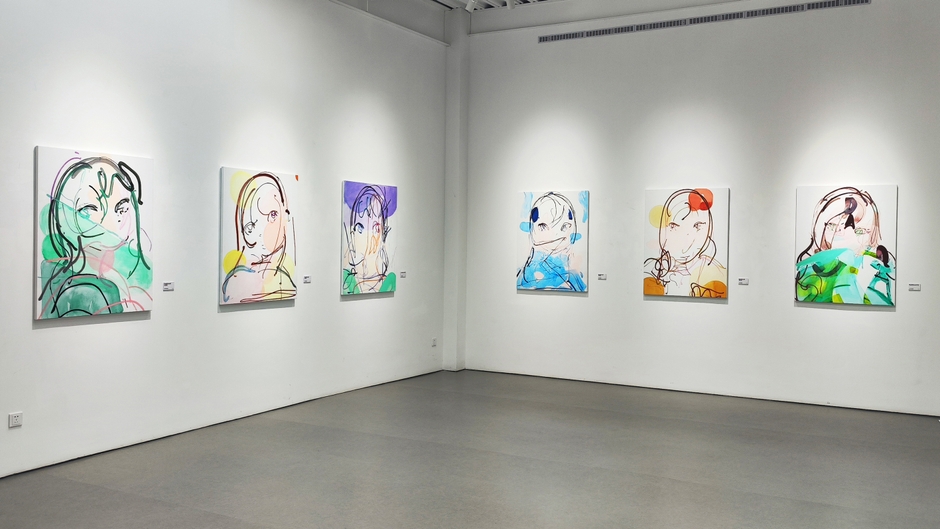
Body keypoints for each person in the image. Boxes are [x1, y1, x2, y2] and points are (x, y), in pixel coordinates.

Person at [38, 156, 152, 318]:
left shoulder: (124, 281)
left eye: (121, 210)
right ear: (63, 218)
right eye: (87, 212)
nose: (109, 226)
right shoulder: (90, 292)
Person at [795, 187, 894, 305]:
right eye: (832, 225)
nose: (846, 233)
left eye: (860, 231)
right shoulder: (806, 273)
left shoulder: (869, 272)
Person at [221, 173, 297, 303]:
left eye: (275, 214)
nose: (279, 222)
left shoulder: (282, 277)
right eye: (272, 214)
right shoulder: (237, 280)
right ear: (248, 229)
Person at [644, 188, 726, 298]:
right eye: (674, 227)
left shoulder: (716, 274)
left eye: (698, 227)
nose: (687, 246)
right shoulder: (650, 270)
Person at [517, 192, 587, 291]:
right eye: (543, 227)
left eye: (565, 226)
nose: (557, 235)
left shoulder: (570, 271)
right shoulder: (529, 272)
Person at [342, 184, 396, 294]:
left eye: (376, 229)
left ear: (383, 235)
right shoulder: (347, 280)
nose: (369, 237)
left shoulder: (390, 282)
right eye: (360, 229)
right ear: (352, 234)